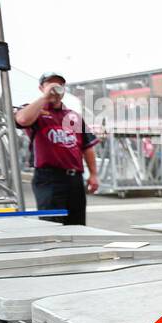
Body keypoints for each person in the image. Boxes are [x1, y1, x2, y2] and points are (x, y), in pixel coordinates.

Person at [14, 71, 99, 225]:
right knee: (52, 224)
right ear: (41, 87)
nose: (56, 88)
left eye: (59, 85)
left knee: (77, 224)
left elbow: (87, 147)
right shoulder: (35, 110)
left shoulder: (73, 116)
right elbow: (22, 119)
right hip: (49, 178)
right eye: (51, 84)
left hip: (74, 178)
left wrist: (93, 174)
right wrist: (45, 97)